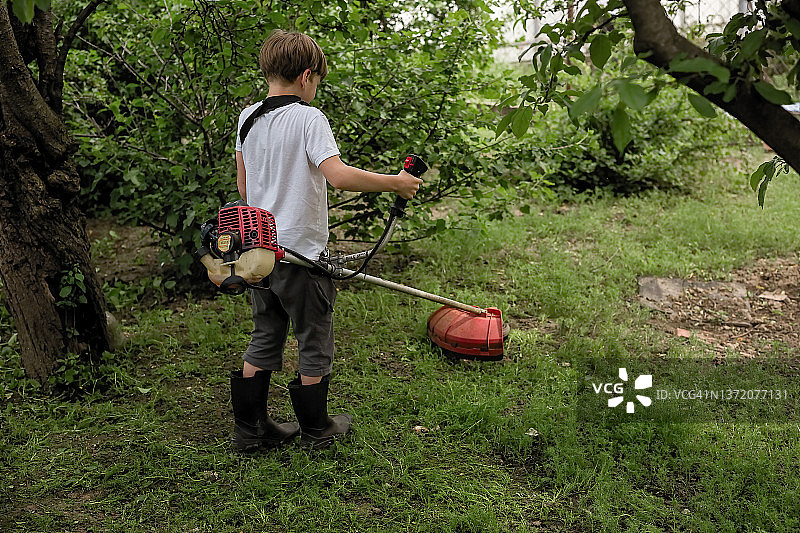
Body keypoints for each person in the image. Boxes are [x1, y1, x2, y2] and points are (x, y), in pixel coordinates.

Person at [231, 29, 423, 451]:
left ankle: (250, 430)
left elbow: (244, 189)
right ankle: (317, 429)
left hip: (258, 252)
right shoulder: (308, 117)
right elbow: (337, 176)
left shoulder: (248, 118)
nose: (315, 87)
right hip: (301, 255)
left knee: (266, 332)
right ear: (306, 76)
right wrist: (396, 182)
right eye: (317, 79)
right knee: (314, 335)